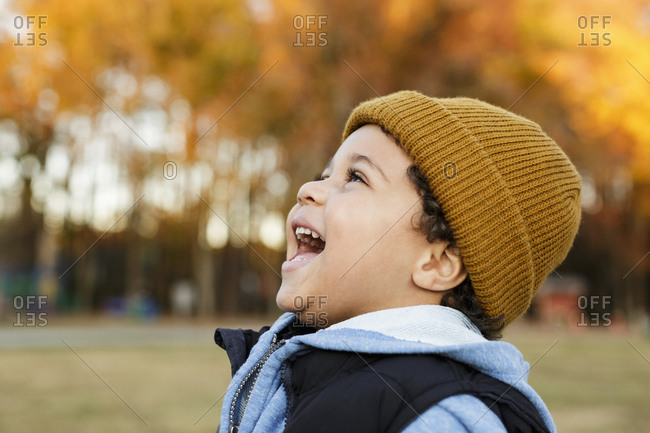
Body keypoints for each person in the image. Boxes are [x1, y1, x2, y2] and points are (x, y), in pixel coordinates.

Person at [214, 90, 581, 433]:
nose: (307, 189)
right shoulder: (308, 368)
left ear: (438, 262)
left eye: (355, 177)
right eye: (324, 175)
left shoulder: (439, 416)